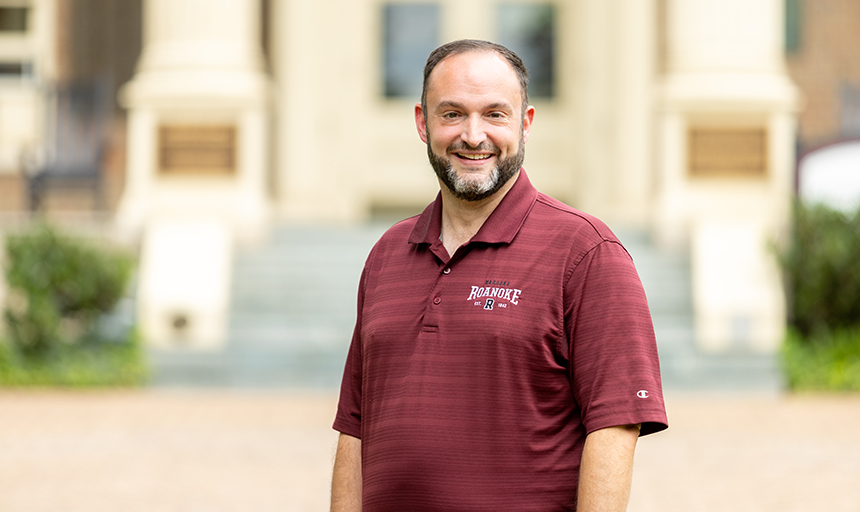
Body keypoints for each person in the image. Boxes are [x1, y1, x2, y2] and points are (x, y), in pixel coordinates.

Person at [331, 39, 668, 511]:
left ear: (525, 124)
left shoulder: (588, 252)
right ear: (422, 123)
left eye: (494, 114)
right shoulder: (387, 254)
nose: (473, 135)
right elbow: (355, 426)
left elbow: (614, 427)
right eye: (451, 114)